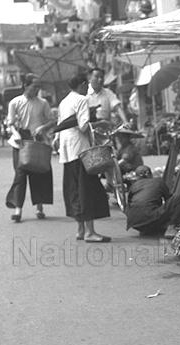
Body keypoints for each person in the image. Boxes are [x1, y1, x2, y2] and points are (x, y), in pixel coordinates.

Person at [58, 72, 111, 243]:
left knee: (74, 191)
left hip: (67, 151)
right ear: (82, 85)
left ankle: (80, 230)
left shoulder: (63, 102)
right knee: (86, 190)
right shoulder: (81, 100)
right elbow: (82, 127)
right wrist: (98, 123)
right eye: (86, 85)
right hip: (80, 149)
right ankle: (90, 232)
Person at [5, 74, 56, 222]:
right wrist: (16, 134)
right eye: (34, 86)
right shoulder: (15, 102)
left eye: (38, 87)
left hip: (38, 141)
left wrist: (43, 128)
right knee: (20, 175)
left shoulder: (43, 103)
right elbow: (11, 123)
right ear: (25, 86)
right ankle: (18, 209)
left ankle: (39, 207)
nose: (37, 90)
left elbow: (52, 120)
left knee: (39, 173)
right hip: (20, 142)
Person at [126, 165, 180, 236]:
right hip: (150, 216)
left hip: (134, 223)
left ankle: (148, 228)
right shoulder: (158, 182)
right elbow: (169, 200)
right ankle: (171, 227)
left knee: (150, 209)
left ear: (137, 177)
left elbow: (129, 204)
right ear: (150, 175)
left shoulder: (134, 186)